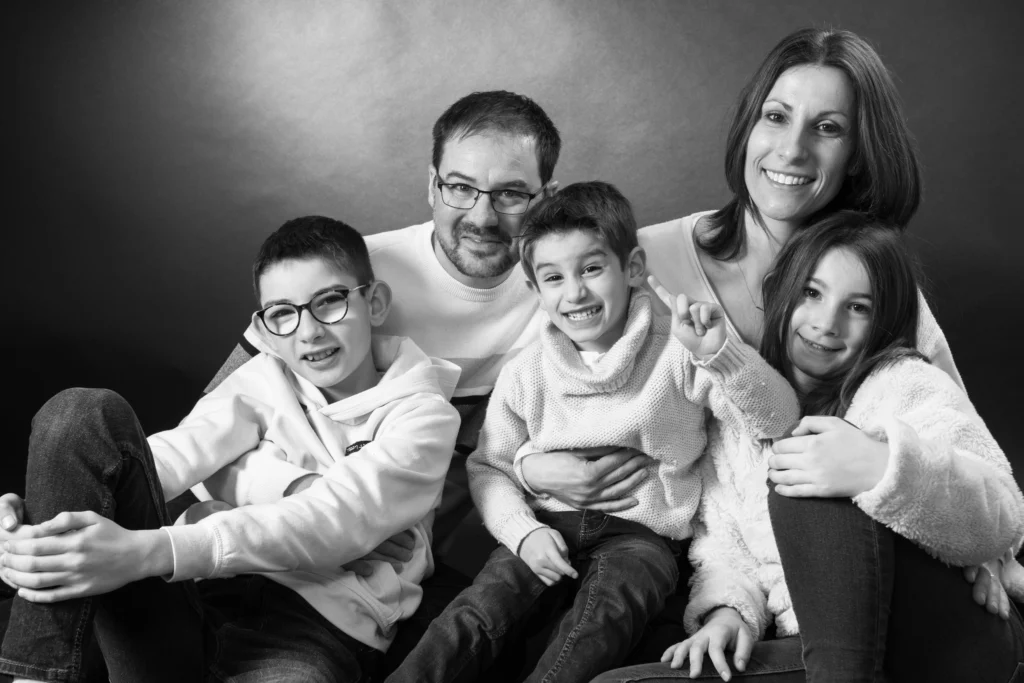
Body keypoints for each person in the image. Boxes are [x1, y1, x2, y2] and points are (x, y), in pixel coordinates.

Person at [515, 27, 1020, 678]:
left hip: (885, 587)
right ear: (747, 127)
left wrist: (986, 549)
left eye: (828, 128)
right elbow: (541, 377)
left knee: (808, 466)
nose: (792, 148)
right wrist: (531, 467)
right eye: (776, 117)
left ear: (858, 155)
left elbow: (957, 454)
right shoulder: (648, 260)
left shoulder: (881, 284)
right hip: (710, 565)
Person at [0, 215, 461, 682]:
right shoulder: (262, 379)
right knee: (80, 413)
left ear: (374, 302)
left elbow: (333, 521)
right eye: (283, 312)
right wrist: (48, 508)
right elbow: (169, 458)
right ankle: (35, 677)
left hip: (314, 630)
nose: (309, 332)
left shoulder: (423, 416)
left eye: (329, 302)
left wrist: (151, 549)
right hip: (195, 600)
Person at [384, 182, 800, 683]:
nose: (575, 292)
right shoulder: (527, 371)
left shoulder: (681, 351)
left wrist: (720, 352)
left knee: (601, 619)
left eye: (592, 269)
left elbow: (777, 420)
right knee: (477, 614)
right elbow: (489, 466)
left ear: (633, 268)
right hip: (547, 524)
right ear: (535, 290)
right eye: (553, 277)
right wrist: (524, 533)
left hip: (644, 538)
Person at [592, 213, 1024, 683]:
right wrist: (728, 614)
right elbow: (725, 545)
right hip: (818, 649)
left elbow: (1001, 512)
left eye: (858, 307)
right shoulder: (739, 412)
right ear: (783, 294)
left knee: (809, 471)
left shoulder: (907, 384)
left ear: (885, 320)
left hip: (941, 639)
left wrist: (880, 466)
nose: (826, 323)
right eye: (812, 294)